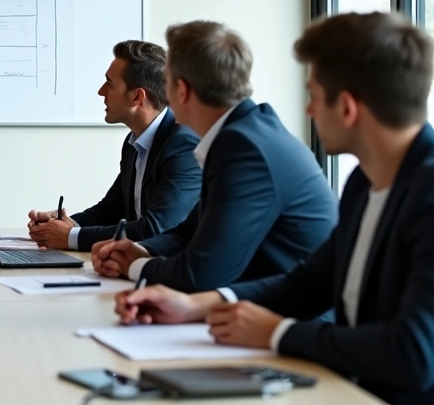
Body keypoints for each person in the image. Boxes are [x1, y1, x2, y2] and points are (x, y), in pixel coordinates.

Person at [116, 12, 434, 404]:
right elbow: (308, 282)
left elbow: (416, 353)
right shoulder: (365, 181)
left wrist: (277, 332)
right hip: (348, 384)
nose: (308, 111)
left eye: (314, 96)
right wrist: (195, 306)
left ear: (348, 108)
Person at [92, 21, 337, 292]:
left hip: (285, 317)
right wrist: (134, 249)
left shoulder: (244, 149)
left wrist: (133, 266)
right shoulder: (243, 133)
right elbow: (189, 231)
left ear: (181, 91)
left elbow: (201, 274)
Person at [27, 41, 201, 251]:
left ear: (137, 96)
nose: (101, 92)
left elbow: (157, 228)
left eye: (109, 83)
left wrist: (72, 237)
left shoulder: (183, 144)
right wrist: (66, 224)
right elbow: (111, 209)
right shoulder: (134, 142)